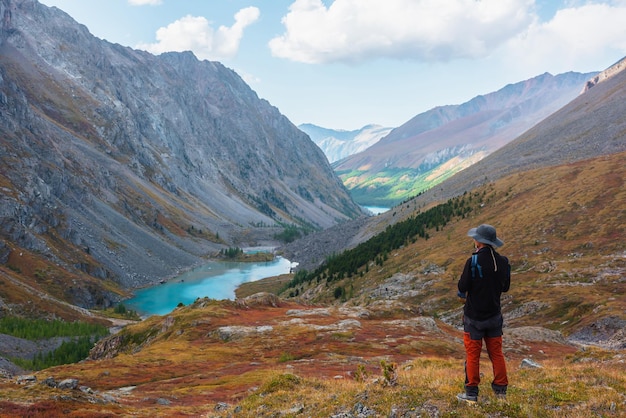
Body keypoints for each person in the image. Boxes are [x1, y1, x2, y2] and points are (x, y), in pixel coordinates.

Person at [456, 224, 511, 404]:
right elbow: (505, 287)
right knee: (496, 353)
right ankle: (501, 391)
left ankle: (471, 394)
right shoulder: (503, 262)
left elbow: (463, 287)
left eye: (475, 238)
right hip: (494, 316)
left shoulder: (472, 262)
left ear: (479, 242)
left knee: (473, 354)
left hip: (474, 318)